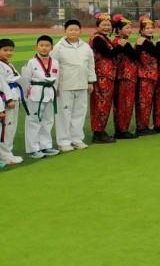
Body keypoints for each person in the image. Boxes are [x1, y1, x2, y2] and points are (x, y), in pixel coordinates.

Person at [50, 19, 96, 152]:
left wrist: (90, 81)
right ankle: (63, 141)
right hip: (65, 85)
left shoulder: (86, 47)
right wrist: (55, 85)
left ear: (80, 31)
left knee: (79, 113)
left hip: (82, 85)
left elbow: (91, 65)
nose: (73, 32)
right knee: (64, 114)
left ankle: (76, 139)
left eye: (76, 29)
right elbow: (53, 67)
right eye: (71, 29)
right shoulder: (58, 47)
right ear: (65, 31)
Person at [19, 35, 60, 158]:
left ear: (51, 48)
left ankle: (46, 146)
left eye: (47, 45)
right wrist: (26, 94)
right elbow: (25, 79)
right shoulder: (31, 62)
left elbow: (57, 79)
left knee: (48, 121)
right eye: (41, 45)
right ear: (36, 47)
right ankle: (33, 149)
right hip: (35, 93)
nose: (44, 48)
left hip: (50, 93)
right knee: (33, 121)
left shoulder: (55, 62)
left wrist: (56, 90)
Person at [87, 13, 116, 143]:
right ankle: (98, 132)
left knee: (104, 103)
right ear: (97, 26)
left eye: (108, 25)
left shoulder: (103, 38)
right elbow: (108, 54)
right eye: (103, 25)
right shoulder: (98, 39)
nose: (106, 27)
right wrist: (121, 47)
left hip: (107, 75)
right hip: (102, 75)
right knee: (101, 103)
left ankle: (100, 131)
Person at [112, 15, 138, 139]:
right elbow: (134, 56)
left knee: (122, 103)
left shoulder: (119, 41)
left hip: (125, 76)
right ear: (119, 30)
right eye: (126, 28)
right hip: (125, 76)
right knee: (124, 103)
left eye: (130, 28)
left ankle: (122, 129)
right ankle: (122, 130)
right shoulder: (121, 42)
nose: (129, 30)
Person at [0, 39, 24, 165]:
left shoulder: (8, 64)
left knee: (11, 127)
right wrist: (9, 99)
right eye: (5, 50)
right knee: (6, 128)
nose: (9, 52)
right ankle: (5, 156)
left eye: (11, 50)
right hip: (5, 100)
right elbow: (2, 84)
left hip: (14, 96)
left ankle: (7, 153)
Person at [135, 16, 160, 136]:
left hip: (150, 75)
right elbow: (157, 53)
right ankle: (142, 127)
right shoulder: (143, 41)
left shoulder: (147, 41)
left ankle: (144, 125)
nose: (150, 30)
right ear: (141, 30)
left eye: (151, 28)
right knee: (144, 102)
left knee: (147, 102)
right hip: (145, 76)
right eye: (147, 28)